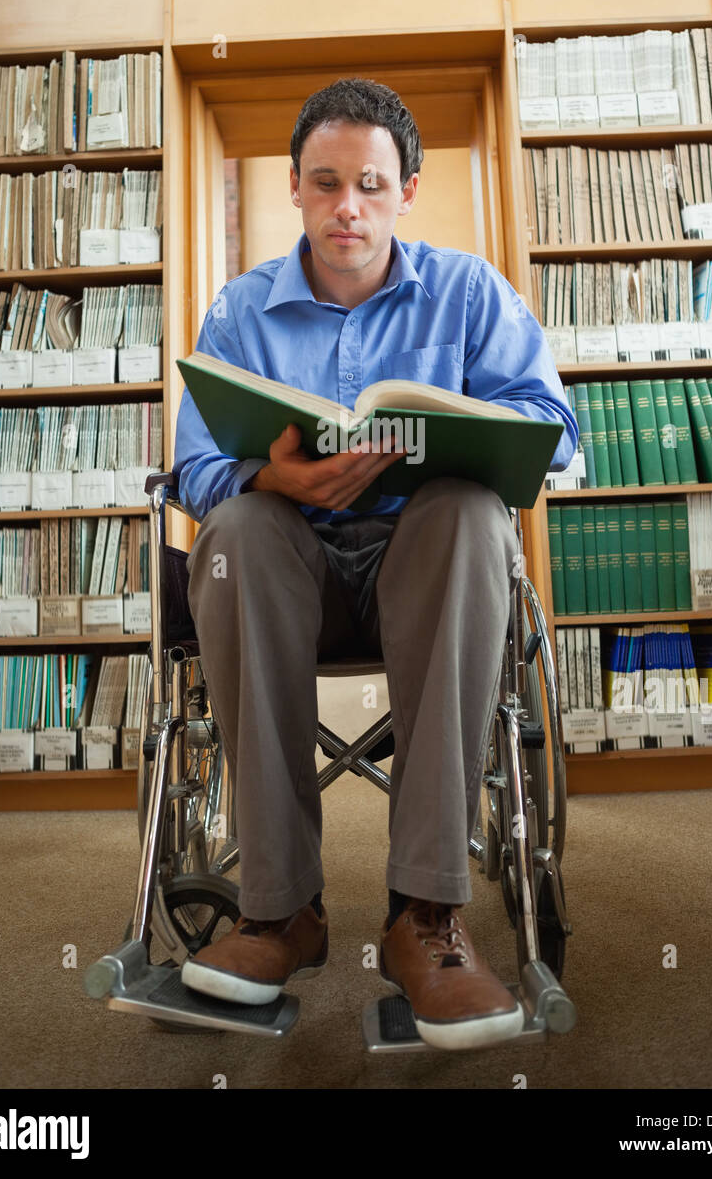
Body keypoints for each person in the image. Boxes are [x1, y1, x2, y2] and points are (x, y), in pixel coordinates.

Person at [172, 77, 578, 1051]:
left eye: (367, 183)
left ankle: (423, 918)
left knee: (470, 511)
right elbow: (189, 468)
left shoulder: (470, 291)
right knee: (233, 528)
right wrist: (265, 476)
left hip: (427, 572)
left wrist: (459, 438)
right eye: (324, 183)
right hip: (290, 577)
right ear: (295, 189)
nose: (345, 204)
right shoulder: (239, 311)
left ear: (404, 190)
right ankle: (276, 912)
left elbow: (557, 433)